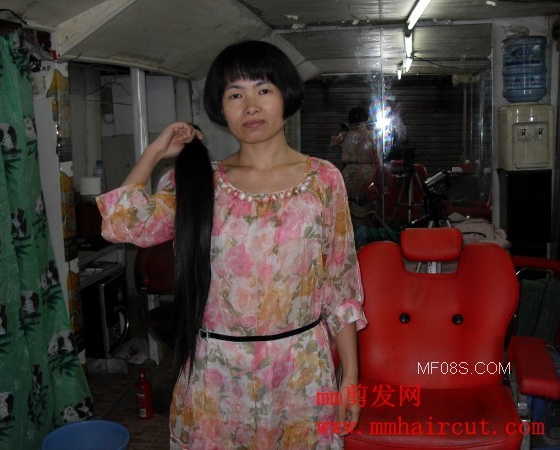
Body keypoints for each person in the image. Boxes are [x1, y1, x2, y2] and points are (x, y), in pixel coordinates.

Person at [96, 40, 366, 449]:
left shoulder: (324, 181)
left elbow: (340, 283)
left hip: (300, 373)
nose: (251, 106)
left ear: (285, 97)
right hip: (216, 377)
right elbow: (121, 225)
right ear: (221, 109)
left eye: (263, 90)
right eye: (235, 95)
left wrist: (350, 378)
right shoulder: (199, 183)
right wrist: (156, 151)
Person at [340, 106, 380, 204]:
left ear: (350, 119)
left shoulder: (345, 135)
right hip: (368, 174)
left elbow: (334, 143)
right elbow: (377, 158)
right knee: (368, 204)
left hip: (349, 173)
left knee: (349, 204)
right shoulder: (373, 135)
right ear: (367, 119)